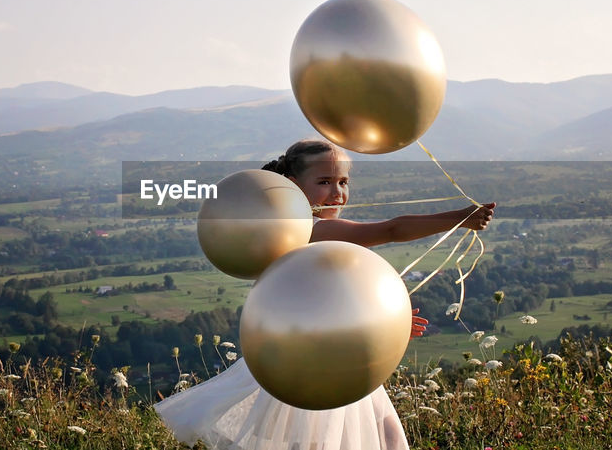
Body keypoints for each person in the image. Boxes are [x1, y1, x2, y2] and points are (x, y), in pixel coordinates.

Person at [155, 139, 495, 449]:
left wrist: (384, 327)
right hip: (318, 364)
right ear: (292, 188)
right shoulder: (317, 230)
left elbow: (334, 302)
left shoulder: (287, 232)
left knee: (385, 436)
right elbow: (391, 229)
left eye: (343, 182)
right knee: (377, 439)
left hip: (330, 357)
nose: (337, 192)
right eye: (324, 182)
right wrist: (460, 217)